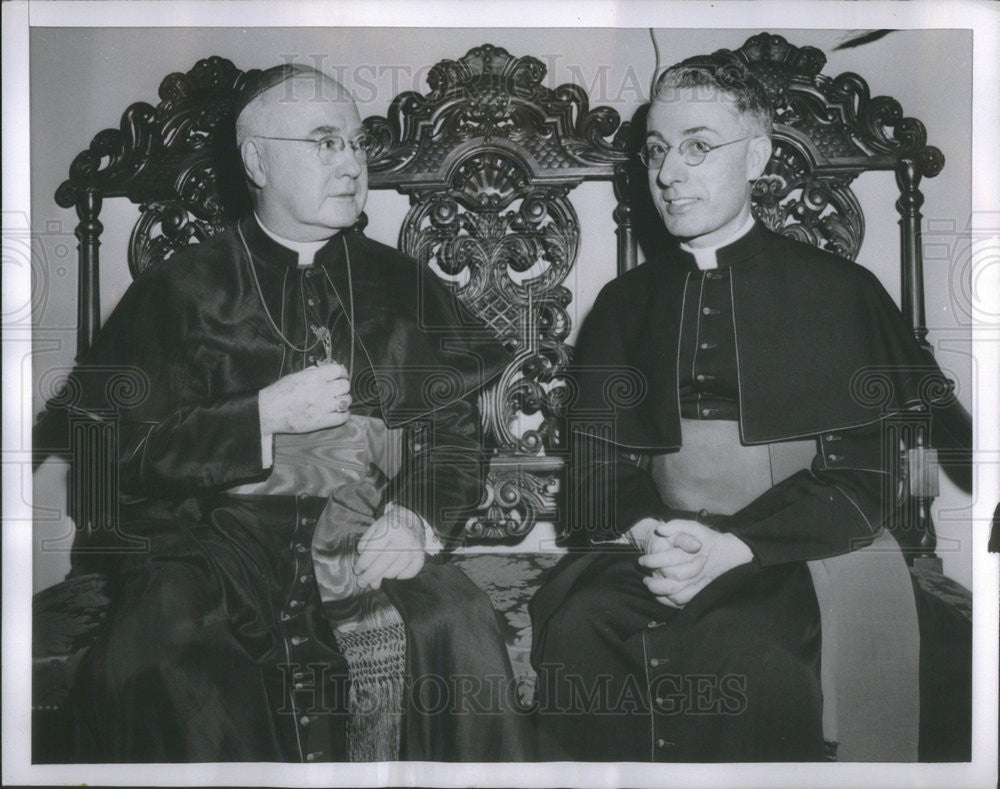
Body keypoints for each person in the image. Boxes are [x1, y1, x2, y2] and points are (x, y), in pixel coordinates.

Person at [37, 64, 528, 763]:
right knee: (157, 666)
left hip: (366, 533)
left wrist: (416, 515)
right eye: (325, 142)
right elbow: (112, 457)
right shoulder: (178, 290)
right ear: (256, 159)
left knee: (463, 626)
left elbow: (453, 439)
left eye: (356, 144)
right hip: (210, 543)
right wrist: (258, 418)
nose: (352, 163)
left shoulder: (402, 282)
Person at [529, 51, 971, 762]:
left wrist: (736, 548)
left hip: (803, 547)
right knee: (580, 627)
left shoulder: (840, 292)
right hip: (663, 545)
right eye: (657, 151)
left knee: (746, 651)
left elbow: (866, 479)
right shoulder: (622, 305)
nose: (669, 173)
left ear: (757, 155)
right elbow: (593, 470)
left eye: (699, 147)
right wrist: (651, 533)